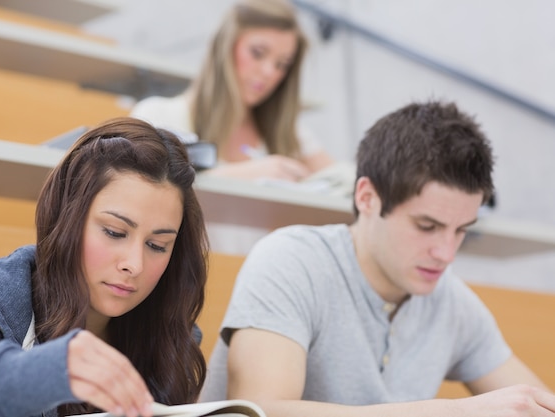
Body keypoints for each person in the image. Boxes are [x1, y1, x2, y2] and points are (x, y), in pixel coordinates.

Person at [200, 101, 555, 416]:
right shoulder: (291, 261)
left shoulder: (452, 302)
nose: (446, 253)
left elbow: (534, 402)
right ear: (367, 197)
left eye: (462, 230)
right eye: (427, 226)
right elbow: (261, 411)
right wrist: (454, 411)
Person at [0, 117, 208, 417]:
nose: (134, 265)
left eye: (157, 246)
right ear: (66, 220)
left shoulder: (171, 343)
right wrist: (27, 377)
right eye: (114, 232)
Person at [130, 0, 334, 182]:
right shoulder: (158, 116)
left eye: (282, 64)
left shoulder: (293, 134)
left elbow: (340, 180)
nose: (269, 72)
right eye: (257, 53)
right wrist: (248, 173)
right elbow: (145, 188)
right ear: (225, 47)